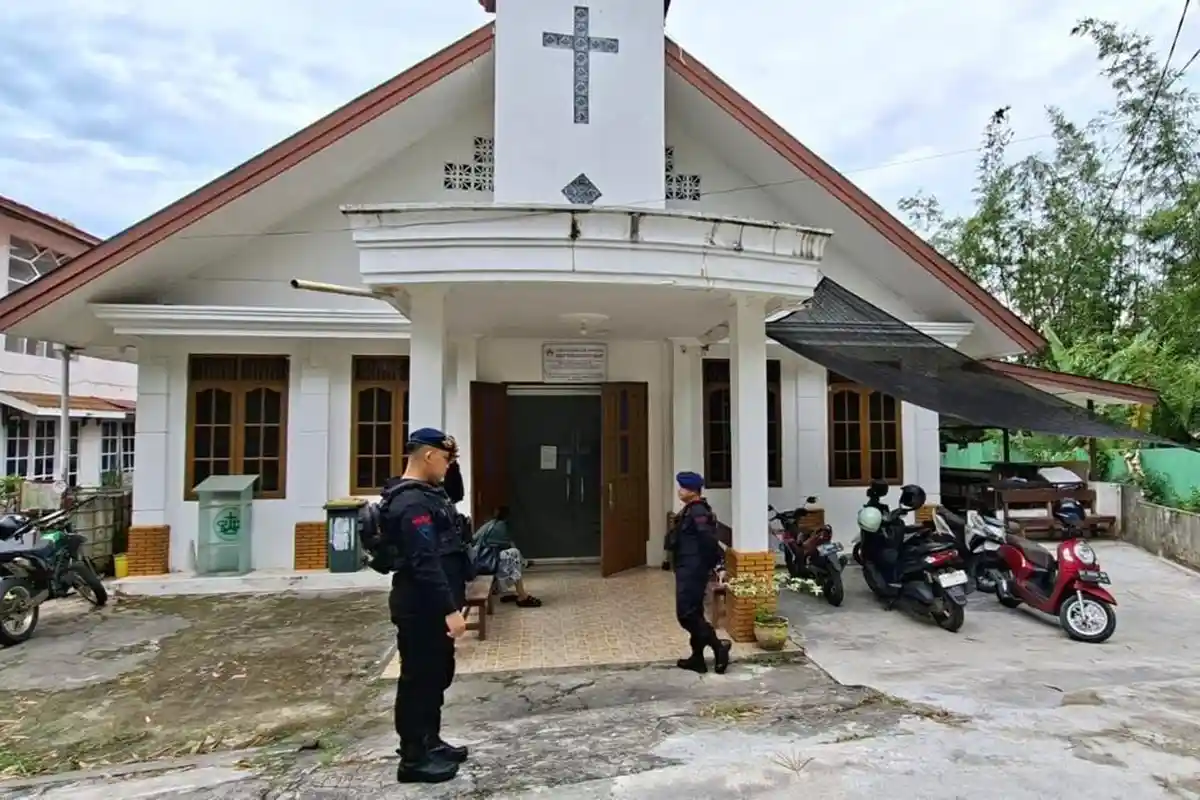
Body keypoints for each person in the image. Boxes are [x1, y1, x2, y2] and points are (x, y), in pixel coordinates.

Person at [379, 427, 472, 785]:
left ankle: (430, 742)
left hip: (432, 604)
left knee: (436, 675)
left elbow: (456, 492)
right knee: (418, 680)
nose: (449, 466)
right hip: (422, 607)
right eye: (446, 460)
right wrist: (449, 610)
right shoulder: (411, 503)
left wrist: (455, 457)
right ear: (429, 456)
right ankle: (414, 758)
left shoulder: (429, 493)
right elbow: (424, 562)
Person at [669, 471, 731, 675]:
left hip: (694, 570)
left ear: (692, 491)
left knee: (686, 615)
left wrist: (717, 563)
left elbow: (708, 540)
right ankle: (697, 659)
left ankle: (718, 645)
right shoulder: (689, 510)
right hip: (687, 568)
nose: (679, 491)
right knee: (694, 613)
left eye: (682, 488)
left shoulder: (698, 512)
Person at [472, 507, 542, 607]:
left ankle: (511, 590)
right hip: (489, 560)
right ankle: (522, 595)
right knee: (514, 554)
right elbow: (507, 544)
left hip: (479, 559)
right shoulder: (502, 526)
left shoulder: (489, 524)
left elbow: (474, 538)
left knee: (511, 557)